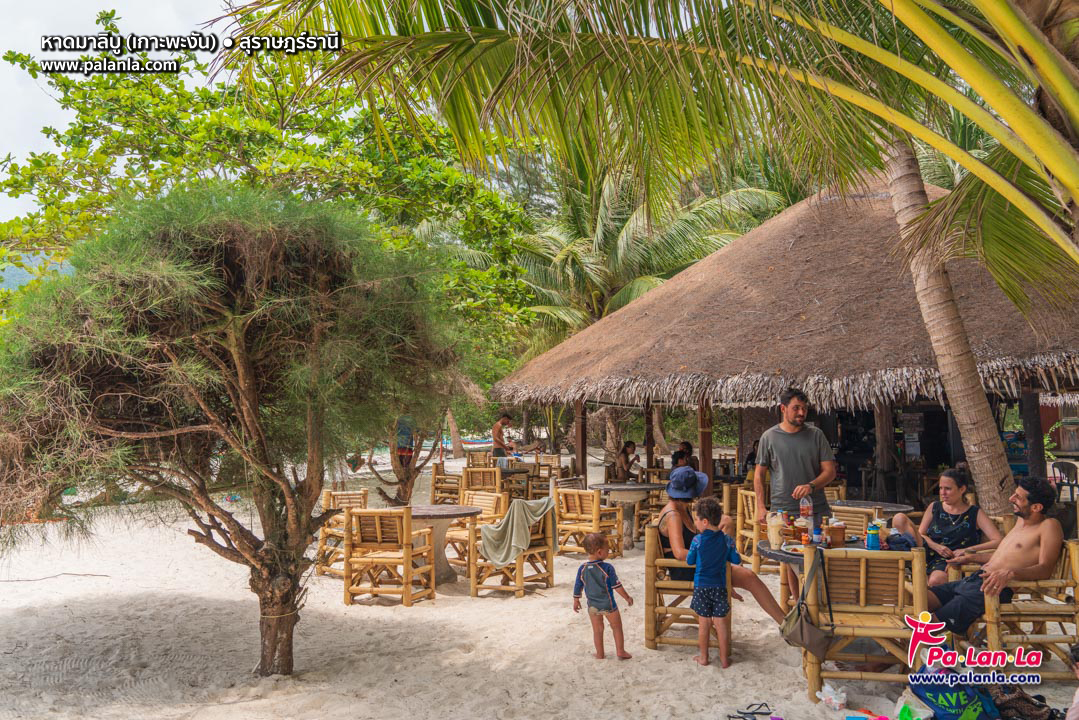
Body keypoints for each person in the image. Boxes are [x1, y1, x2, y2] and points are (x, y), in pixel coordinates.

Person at [928, 477, 1063, 636]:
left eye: (1018, 497)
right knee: (923, 598)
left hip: (994, 589)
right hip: (975, 580)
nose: (1011, 499)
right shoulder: (1020, 522)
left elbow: (1045, 569)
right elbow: (1002, 557)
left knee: (930, 625)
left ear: (1036, 507)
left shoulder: (1049, 526)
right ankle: (906, 646)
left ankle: (904, 652)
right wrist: (970, 558)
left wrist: (1011, 573)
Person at [658, 465, 785, 624]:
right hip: (687, 569)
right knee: (750, 577)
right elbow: (679, 553)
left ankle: (728, 568)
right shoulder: (674, 515)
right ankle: (785, 623)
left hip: (698, 564)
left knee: (726, 521)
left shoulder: (682, 508)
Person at [754, 388, 836, 597]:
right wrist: (761, 507)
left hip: (816, 508)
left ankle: (818, 604)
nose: (801, 413)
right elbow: (759, 475)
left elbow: (830, 471)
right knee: (790, 558)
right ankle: (801, 607)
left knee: (820, 556)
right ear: (783, 409)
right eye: (796, 408)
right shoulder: (768, 437)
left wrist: (811, 485)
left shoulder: (816, 435)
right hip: (784, 509)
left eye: (804, 409)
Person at [889, 468, 1002, 586]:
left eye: (948, 489)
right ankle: (913, 565)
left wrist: (968, 551)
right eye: (941, 488)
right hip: (925, 551)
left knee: (936, 581)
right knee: (899, 518)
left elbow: (998, 541)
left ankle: (925, 586)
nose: (942, 493)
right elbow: (921, 534)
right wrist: (936, 546)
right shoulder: (935, 507)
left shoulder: (974, 513)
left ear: (962, 489)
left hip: (951, 559)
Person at [687, 496, 740, 667]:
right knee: (720, 623)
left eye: (696, 519)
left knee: (704, 624)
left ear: (704, 521)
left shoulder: (697, 541)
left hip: (701, 587)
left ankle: (704, 658)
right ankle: (724, 659)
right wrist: (731, 547)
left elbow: (690, 561)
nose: (694, 522)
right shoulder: (726, 540)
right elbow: (736, 559)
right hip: (719, 587)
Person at [573, 532, 633, 659]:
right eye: (608, 550)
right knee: (616, 627)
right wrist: (627, 597)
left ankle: (600, 654)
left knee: (597, 630)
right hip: (608, 604)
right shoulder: (607, 567)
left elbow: (578, 585)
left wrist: (576, 600)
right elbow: (616, 586)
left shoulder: (582, 568)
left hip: (592, 606)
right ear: (600, 552)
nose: (609, 552)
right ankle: (620, 651)